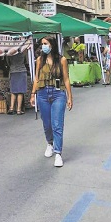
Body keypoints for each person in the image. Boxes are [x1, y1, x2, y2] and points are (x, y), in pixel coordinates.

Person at [30, 36, 73, 167]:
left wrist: (69, 97)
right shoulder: (39, 60)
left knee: (57, 124)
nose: (43, 46)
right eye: (42, 44)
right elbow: (37, 79)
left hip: (58, 93)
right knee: (47, 123)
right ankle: (50, 143)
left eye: (45, 43)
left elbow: (66, 79)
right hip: (42, 93)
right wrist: (33, 94)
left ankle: (58, 153)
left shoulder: (62, 60)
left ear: (52, 45)